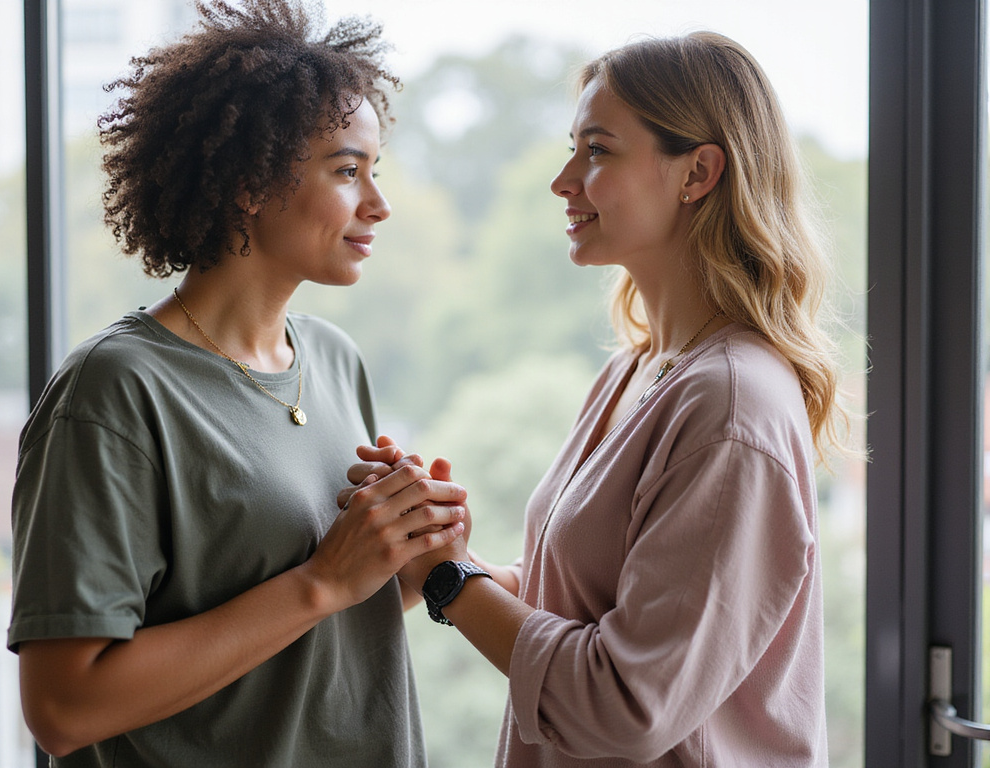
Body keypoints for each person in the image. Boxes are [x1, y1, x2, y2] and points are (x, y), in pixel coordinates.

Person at [345, 31, 842, 767]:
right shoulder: (637, 371)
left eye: (598, 151)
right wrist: (435, 547)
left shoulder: (732, 407)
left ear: (698, 172)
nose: (563, 180)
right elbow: (576, 602)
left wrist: (452, 582)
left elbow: (625, 705)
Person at [7, 2, 467, 765]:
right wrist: (321, 581)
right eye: (348, 170)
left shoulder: (333, 358)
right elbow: (62, 708)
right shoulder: (114, 391)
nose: (379, 204)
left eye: (374, 172)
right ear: (251, 183)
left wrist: (400, 560)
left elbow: (314, 635)